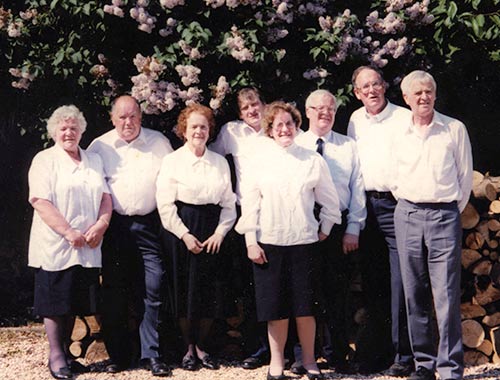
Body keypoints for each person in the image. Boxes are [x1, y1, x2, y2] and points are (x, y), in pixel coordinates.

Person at [236, 101, 341, 380]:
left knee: (306, 310)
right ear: (270, 130)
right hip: (269, 243)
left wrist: (324, 230)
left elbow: (331, 202)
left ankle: (309, 362)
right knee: (276, 310)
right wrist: (250, 240)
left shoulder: (312, 160)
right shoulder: (258, 162)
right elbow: (250, 205)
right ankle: (276, 363)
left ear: (297, 126)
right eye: (278, 125)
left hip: (304, 243)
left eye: (290, 123)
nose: (285, 129)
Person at [392, 70, 473, 380]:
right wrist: (411, 203)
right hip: (408, 214)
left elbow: (465, 178)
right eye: (417, 93)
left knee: (447, 294)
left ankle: (450, 368)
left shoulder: (453, 129)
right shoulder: (399, 133)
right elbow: (393, 177)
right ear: (407, 99)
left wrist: (446, 208)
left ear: (435, 95)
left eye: (428, 91)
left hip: (444, 216)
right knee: (414, 292)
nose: (423, 97)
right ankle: (424, 364)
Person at [87, 95, 173, 376]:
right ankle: (120, 357)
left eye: (133, 116)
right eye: (122, 117)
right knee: (114, 291)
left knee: (155, 285)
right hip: (114, 228)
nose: (128, 122)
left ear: (141, 116)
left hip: (150, 225)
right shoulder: (99, 147)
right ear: (113, 119)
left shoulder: (159, 142)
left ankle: (152, 355)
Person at [28, 105, 112, 379]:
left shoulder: (93, 160)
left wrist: (101, 225)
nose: (69, 132)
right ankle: (55, 355)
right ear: (54, 132)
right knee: (54, 300)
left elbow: (105, 198)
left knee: (74, 298)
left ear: (82, 131)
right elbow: (40, 200)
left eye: (74, 128)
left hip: (87, 244)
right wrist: (67, 232)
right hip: (56, 243)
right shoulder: (44, 160)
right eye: (63, 128)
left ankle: (66, 353)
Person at [156, 103, 237, 371]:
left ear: (209, 130)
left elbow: (229, 204)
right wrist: (184, 235)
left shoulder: (219, 162)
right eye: (194, 127)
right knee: (183, 290)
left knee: (209, 291)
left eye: (203, 126)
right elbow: (165, 204)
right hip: (182, 231)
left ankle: (202, 347)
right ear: (183, 130)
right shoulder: (172, 161)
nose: (199, 131)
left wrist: (220, 233)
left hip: (212, 233)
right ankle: (187, 348)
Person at [347, 66, 414, 375]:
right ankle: (377, 353)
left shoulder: (403, 118)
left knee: (402, 284)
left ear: (385, 86)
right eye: (365, 87)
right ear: (357, 93)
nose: (371, 91)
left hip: (396, 205)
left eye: (376, 84)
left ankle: (404, 356)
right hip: (366, 208)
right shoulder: (356, 120)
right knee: (373, 284)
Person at [294, 89, 366, 373]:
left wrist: (353, 229)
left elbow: (357, 189)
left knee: (337, 292)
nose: (325, 113)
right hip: (302, 223)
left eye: (331, 109)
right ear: (307, 111)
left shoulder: (348, 146)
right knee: (303, 291)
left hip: (338, 226)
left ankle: (336, 353)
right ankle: (303, 356)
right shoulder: (295, 143)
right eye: (318, 108)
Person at [209, 87, 270, 369]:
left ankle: (285, 348)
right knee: (250, 286)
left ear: (264, 104)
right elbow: (211, 159)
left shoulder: (277, 125)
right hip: (245, 214)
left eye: (255, 105)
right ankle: (257, 348)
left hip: (276, 212)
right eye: (245, 108)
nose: (252, 111)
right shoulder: (231, 132)